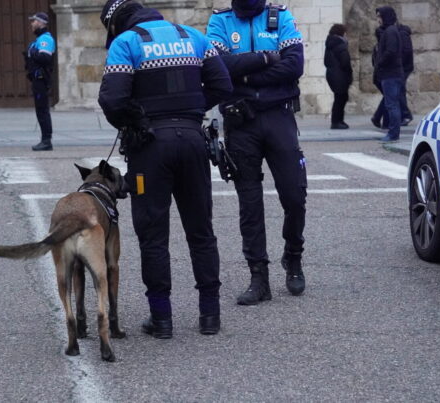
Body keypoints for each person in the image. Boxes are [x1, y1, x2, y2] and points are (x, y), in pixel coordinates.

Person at [97, 0, 233, 338]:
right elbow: (223, 86)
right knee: (201, 230)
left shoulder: (126, 43)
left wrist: (135, 120)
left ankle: (162, 319)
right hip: (191, 141)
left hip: (150, 149)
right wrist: (189, 110)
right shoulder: (193, 36)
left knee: (153, 234)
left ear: (115, 23)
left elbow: (112, 100)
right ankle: (209, 316)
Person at [206, 0, 307, 306]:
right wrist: (266, 59)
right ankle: (258, 277)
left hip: (279, 116)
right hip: (241, 121)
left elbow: (295, 65)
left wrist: (245, 76)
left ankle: (293, 255)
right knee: (249, 204)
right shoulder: (220, 22)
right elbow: (218, 67)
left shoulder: (281, 16)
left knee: (294, 195)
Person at [25, 12, 56, 151]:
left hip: (41, 80)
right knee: (40, 110)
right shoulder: (38, 40)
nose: (32, 24)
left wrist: (32, 53)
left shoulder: (45, 39)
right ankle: (45, 139)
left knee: (43, 110)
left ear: (41, 23)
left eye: (34, 21)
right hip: (37, 80)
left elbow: (45, 58)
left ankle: (46, 141)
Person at [374, 6, 405, 142]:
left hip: (391, 74)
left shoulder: (390, 31)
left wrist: (380, 62)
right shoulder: (389, 31)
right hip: (391, 73)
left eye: (379, 17)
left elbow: (391, 52)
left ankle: (393, 133)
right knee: (392, 104)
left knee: (392, 105)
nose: (378, 20)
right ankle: (393, 132)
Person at [324, 24, 352, 130]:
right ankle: (336, 122)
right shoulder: (340, 45)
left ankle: (339, 120)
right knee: (340, 99)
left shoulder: (330, 44)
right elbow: (345, 62)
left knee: (340, 98)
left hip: (332, 74)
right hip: (340, 75)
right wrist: (349, 73)